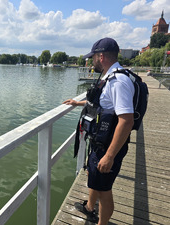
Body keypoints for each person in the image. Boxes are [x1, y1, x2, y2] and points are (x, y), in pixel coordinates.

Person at [63, 38, 134, 225]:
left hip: (108, 147)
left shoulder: (118, 81)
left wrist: (110, 156)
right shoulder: (108, 77)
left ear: (101, 56)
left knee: (104, 190)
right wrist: (77, 103)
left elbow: (126, 120)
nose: (91, 61)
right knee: (93, 177)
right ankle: (89, 207)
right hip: (100, 144)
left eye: (93, 57)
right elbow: (103, 106)